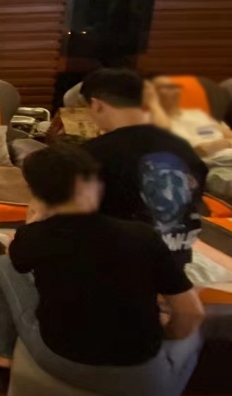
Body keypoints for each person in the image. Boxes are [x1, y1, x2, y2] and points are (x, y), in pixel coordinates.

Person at [0, 146, 205, 396]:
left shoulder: (36, 237)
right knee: (193, 332)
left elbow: (17, 259)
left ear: (36, 193)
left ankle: (0, 361)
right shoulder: (142, 236)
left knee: (3, 266)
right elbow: (192, 313)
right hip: (141, 376)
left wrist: (37, 218)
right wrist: (163, 334)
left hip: (60, 360)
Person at [80, 67, 207, 270]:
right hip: (176, 261)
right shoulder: (182, 147)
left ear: (97, 105)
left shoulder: (93, 153)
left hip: (115, 267)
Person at [147, 75, 232, 157]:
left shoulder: (198, 114)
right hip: (213, 162)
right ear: (152, 93)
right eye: (164, 87)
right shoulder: (155, 121)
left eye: (174, 87)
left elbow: (228, 134)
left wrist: (225, 143)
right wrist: (153, 103)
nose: (174, 91)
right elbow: (190, 153)